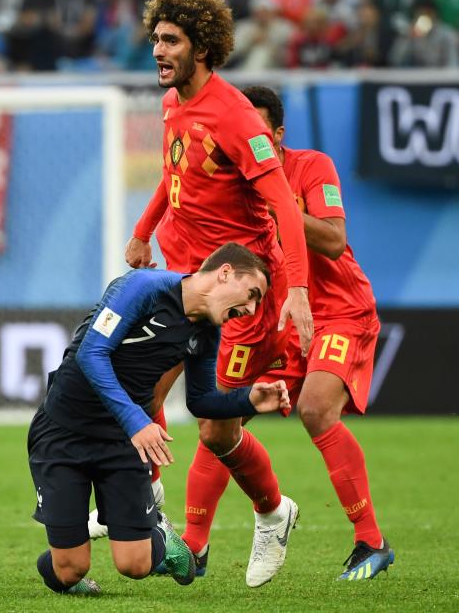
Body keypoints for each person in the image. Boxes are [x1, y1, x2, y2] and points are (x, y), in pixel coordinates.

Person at [113, 0, 314, 589]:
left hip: (241, 292)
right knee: (141, 387)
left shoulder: (234, 116)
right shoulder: (174, 101)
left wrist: (298, 291)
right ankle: (146, 503)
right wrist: (144, 230)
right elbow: (175, 174)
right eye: (155, 39)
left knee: (215, 428)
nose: (158, 50)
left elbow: (280, 200)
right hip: (186, 283)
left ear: (202, 47)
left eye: (170, 41)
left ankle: (273, 510)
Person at [29, 242, 293, 594]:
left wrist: (248, 399)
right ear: (225, 272)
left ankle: (161, 537)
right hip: (63, 432)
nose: (250, 309)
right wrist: (137, 422)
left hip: (122, 441)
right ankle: (67, 569)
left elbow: (200, 401)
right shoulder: (143, 287)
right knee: (70, 569)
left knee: (135, 565)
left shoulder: (206, 331)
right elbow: (92, 353)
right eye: (251, 294)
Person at [243, 85, 393, 580]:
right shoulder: (234, 178)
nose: (252, 141)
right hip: (282, 313)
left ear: (279, 133)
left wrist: (279, 207)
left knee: (314, 408)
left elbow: (333, 240)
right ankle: (197, 545)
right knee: (218, 415)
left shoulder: (312, 167)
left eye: (261, 130)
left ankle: (371, 541)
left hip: (339, 310)